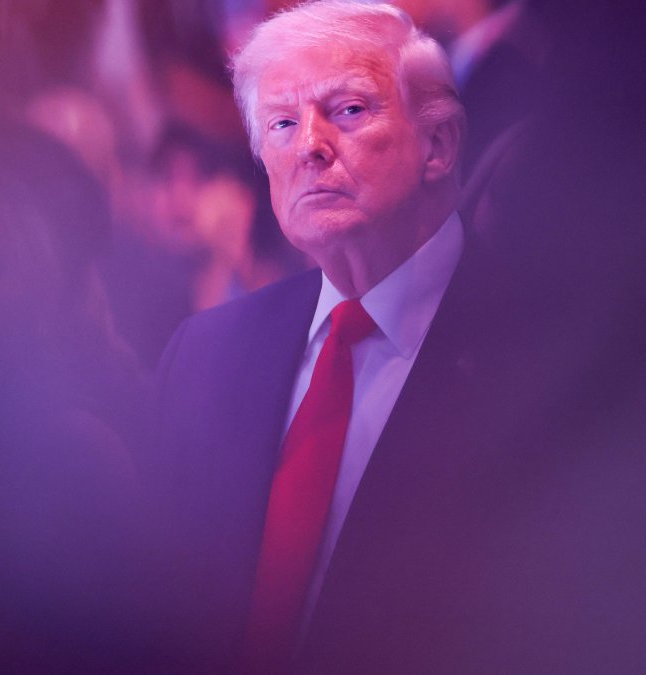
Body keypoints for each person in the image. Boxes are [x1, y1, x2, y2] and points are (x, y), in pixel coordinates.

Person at [151, 2, 487, 671]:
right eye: (281, 123)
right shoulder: (205, 354)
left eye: (349, 110)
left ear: (439, 145)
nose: (309, 144)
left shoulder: (543, 345)